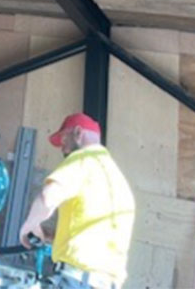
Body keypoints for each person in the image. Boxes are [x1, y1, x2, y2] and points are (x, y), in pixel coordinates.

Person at [18, 113, 135, 289]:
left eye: (64, 140)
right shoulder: (116, 179)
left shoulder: (84, 159)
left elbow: (47, 197)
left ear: (78, 133)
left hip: (78, 281)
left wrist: (29, 225)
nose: (63, 149)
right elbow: (93, 231)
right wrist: (52, 237)